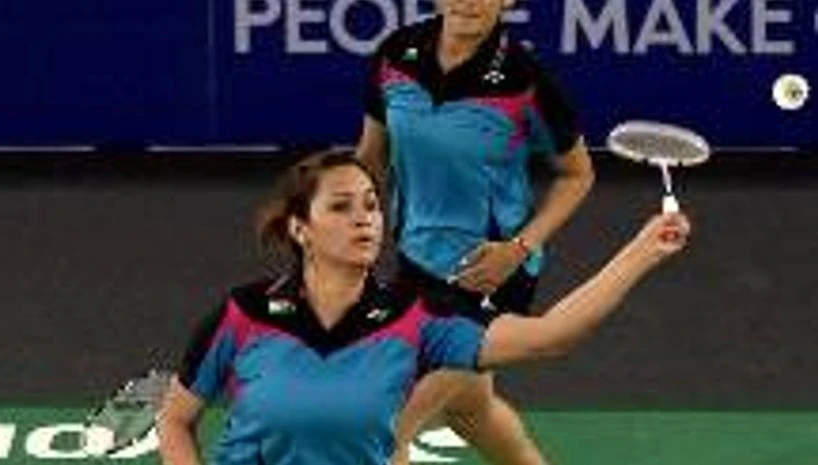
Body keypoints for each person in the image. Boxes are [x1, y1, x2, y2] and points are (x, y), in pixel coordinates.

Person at [157, 151, 689, 465]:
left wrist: (643, 251)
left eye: (371, 205)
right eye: (340, 207)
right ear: (301, 229)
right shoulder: (244, 313)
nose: (364, 218)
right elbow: (176, 421)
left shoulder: (416, 317)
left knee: (476, 403)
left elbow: (551, 336)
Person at [356, 0, 594, 463]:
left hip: (488, 273)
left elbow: (577, 174)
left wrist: (519, 247)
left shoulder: (524, 79)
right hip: (414, 258)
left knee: (388, 425)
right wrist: (335, 229)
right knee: (470, 409)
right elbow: (370, 157)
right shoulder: (396, 54)